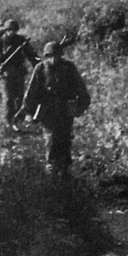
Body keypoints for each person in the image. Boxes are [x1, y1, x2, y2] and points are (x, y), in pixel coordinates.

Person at [21, 41, 91, 176]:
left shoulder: (69, 67)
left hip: (66, 108)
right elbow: (32, 90)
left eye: (56, 55)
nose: (54, 59)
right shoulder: (40, 68)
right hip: (48, 110)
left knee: (65, 137)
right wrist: (27, 110)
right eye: (50, 56)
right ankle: (51, 167)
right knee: (51, 139)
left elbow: (80, 87)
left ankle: (65, 167)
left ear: (61, 55)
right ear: (46, 56)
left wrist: (82, 104)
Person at [0, 19, 39, 131]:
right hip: (6, 74)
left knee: (19, 97)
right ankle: (8, 122)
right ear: (6, 30)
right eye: (9, 30)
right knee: (8, 99)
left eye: (14, 30)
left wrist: (37, 64)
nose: (12, 32)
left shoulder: (21, 40)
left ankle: (17, 121)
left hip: (19, 72)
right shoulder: (0, 41)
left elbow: (31, 54)